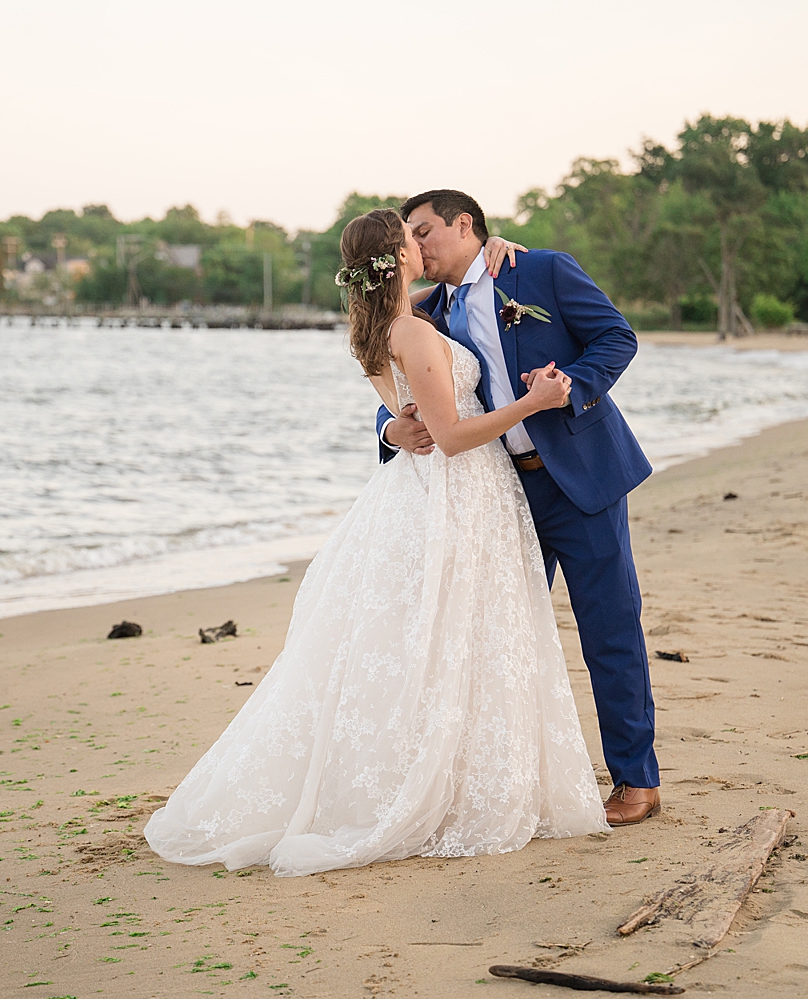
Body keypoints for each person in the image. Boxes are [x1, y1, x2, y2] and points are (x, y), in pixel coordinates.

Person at [143, 209, 608, 878]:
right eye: (410, 237)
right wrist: (535, 405)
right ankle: (435, 788)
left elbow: (413, 411)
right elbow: (449, 436)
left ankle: (448, 773)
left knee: (441, 641)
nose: (422, 245)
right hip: (457, 490)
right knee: (451, 639)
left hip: (431, 495)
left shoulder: (374, 330)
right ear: (396, 256)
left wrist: (398, 427)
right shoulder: (412, 333)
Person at [381, 190, 660, 826]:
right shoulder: (429, 315)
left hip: (583, 479)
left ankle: (637, 781)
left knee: (609, 629)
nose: (417, 248)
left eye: (426, 232)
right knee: (499, 639)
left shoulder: (542, 271)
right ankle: (506, 785)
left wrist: (570, 390)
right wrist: (388, 429)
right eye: (408, 240)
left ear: (465, 225)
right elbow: (390, 371)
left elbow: (617, 338)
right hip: (501, 494)